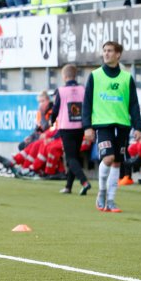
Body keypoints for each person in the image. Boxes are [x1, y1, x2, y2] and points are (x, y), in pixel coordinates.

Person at [82, 41, 141, 213]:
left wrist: (137, 127)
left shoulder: (126, 77)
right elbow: (87, 102)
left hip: (122, 124)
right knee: (108, 158)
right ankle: (101, 193)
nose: (106, 53)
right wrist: (87, 126)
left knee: (116, 162)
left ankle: (111, 200)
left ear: (118, 55)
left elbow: (134, 104)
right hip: (103, 124)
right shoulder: (95, 75)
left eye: (110, 51)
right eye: (105, 51)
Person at [51, 64, 91, 195]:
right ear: (75, 76)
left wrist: (52, 121)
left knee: (70, 158)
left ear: (64, 76)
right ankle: (68, 186)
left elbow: (55, 109)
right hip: (80, 127)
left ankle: (84, 181)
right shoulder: (83, 89)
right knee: (74, 156)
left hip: (66, 127)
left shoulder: (61, 91)